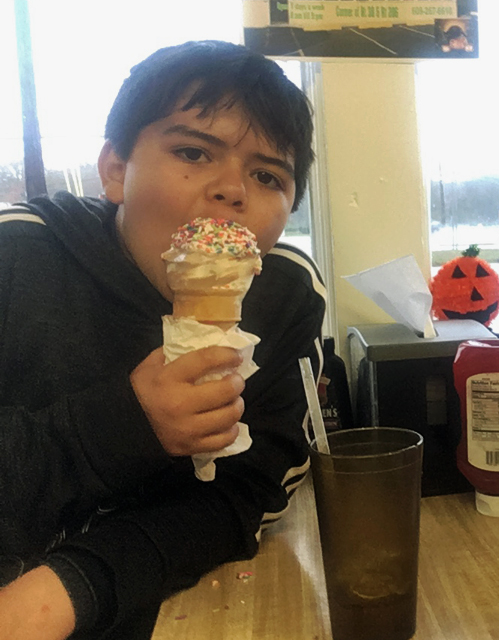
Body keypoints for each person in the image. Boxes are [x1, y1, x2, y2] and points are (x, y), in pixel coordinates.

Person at [0, 41, 325, 640]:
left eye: (267, 175)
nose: (233, 190)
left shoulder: (287, 296)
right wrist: (125, 424)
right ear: (116, 170)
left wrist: (74, 584)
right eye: (194, 152)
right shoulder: (18, 260)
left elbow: (249, 492)